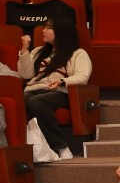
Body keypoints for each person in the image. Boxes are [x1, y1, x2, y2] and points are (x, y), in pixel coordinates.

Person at [19, 18, 91, 161]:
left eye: (48, 28)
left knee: (36, 102)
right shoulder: (38, 51)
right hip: (35, 90)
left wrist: (62, 81)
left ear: (61, 32)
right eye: (44, 27)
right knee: (22, 100)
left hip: (62, 93)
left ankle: (61, 146)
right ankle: (30, 150)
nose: (43, 31)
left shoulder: (77, 53)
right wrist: (25, 50)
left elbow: (83, 76)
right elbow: (25, 74)